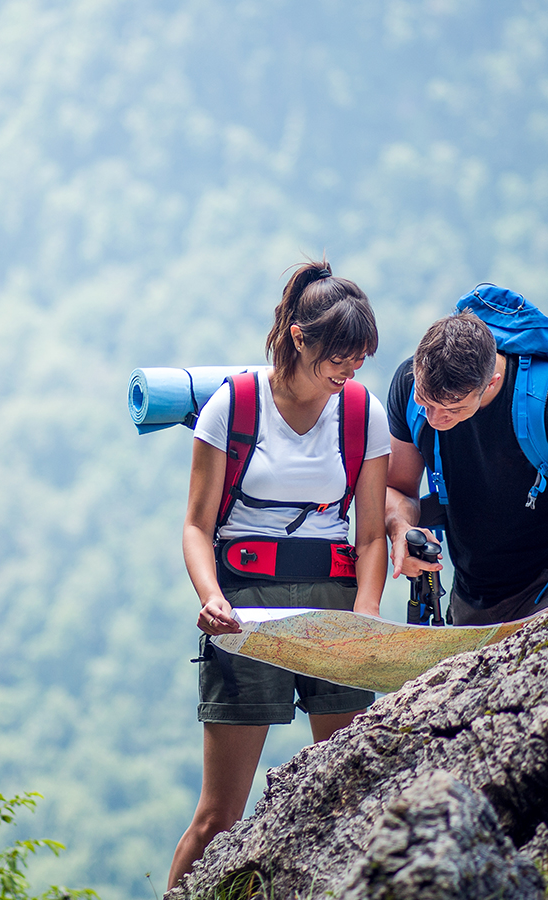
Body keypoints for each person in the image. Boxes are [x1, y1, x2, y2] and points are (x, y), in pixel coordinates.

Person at [167, 260, 390, 890]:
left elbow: (370, 534)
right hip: (244, 609)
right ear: (299, 337)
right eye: (341, 358)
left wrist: (367, 612)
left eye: (360, 360)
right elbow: (195, 527)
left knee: (349, 797)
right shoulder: (231, 408)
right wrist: (211, 599)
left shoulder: (362, 413)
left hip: (336, 611)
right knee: (220, 817)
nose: (351, 373)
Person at [385, 310, 548, 625]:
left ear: (492, 382)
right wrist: (401, 531)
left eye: (452, 409)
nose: (435, 419)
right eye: (426, 402)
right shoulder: (408, 384)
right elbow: (398, 489)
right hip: (471, 594)